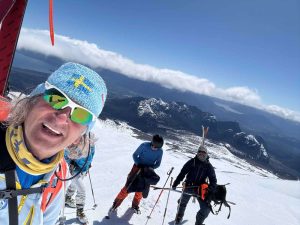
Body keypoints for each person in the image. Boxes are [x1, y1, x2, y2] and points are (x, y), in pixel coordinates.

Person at [0, 62, 107, 225]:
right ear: (32, 102)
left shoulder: (58, 175)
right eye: (56, 98)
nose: (62, 117)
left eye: (81, 115)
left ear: (79, 136)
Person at [110, 134, 164, 213]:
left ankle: (135, 205)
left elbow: (158, 163)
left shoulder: (160, 151)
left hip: (147, 171)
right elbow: (135, 155)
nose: (155, 148)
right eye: (154, 146)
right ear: (151, 143)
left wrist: (150, 168)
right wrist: (138, 163)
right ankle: (116, 203)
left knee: (141, 189)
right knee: (128, 187)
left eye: (157, 147)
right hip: (137, 168)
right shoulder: (144, 145)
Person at [172, 145, 217, 225]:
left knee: (206, 209)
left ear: (206, 154)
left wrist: (210, 190)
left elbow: (213, 180)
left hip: (201, 190)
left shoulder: (208, 166)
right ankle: (179, 216)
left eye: (204, 153)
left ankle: (198, 223)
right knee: (182, 203)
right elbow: (182, 173)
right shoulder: (192, 162)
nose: (201, 154)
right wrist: (176, 183)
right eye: (200, 152)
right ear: (197, 153)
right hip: (188, 186)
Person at [64, 132, 96, 224]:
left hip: (84, 168)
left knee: (75, 184)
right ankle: (79, 212)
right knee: (81, 190)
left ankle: (68, 198)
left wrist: (89, 163)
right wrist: (71, 163)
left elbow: (92, 152)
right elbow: (65, 156)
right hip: (75, 169)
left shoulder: (89, 138)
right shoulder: (68, 144)